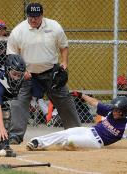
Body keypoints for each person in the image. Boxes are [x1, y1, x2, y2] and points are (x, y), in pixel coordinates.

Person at [6, 2, 81, 144]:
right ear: (27, 16)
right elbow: (12, 54)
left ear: (42, 15)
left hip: (50, 72)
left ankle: (76, 133)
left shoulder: (54, 27)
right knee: (18, 102)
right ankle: (15, 136)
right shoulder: (19, 31)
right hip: (26, 74)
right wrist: (20, 71)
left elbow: (64, 46)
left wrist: (64, 63)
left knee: (65, 100)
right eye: (30, 17)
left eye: (36, 16)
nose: (33, 20)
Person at [26, 92, 127, 150]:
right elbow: (95, 103)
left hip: (95, 142)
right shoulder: (109, 111)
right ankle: (37, 142)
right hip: (89, 130)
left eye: (117, 110)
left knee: (69, 140)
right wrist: (81, 95)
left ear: (124, 112)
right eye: (114, 109)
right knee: (66, 132)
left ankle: (53, 145)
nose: (114, 111)